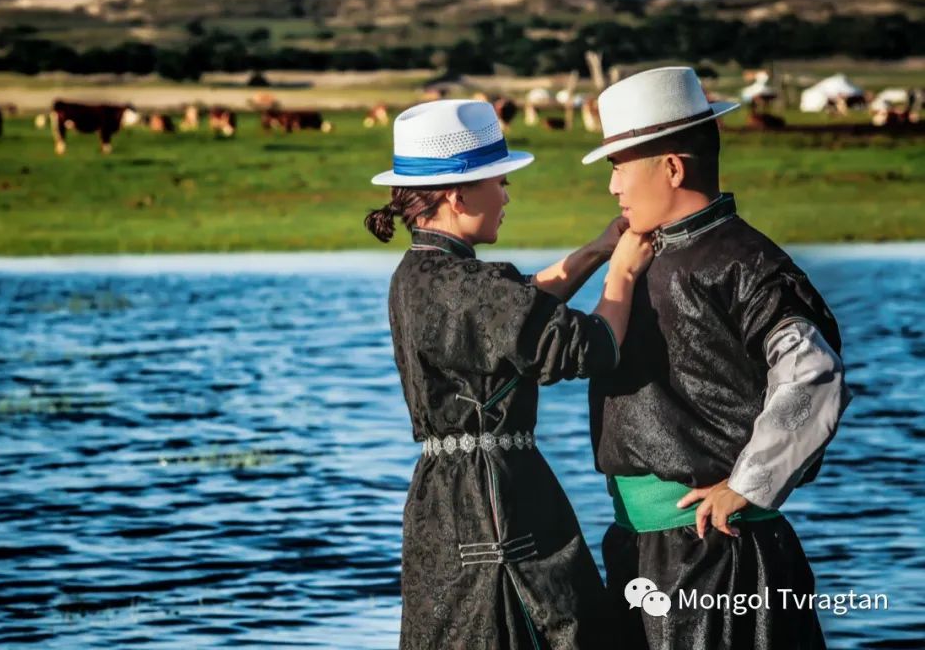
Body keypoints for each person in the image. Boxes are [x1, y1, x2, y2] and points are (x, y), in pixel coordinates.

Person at [365, 99, 653, 649]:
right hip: (494, 507)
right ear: (457, 195)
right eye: (499, 182)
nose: (506, 196)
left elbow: (517, 306)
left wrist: (596, 250)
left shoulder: (419, 273)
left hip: (442, 505)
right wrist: (624, 272)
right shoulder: (463, 286)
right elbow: (594, 347)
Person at [582, 67, 852, 649]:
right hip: (647, 550)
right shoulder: (644, 256)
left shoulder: (746, 264)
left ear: (672, 168)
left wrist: (748, 485)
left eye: (619, 167)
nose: (613, 187)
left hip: (716, 554)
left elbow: (813, 374)